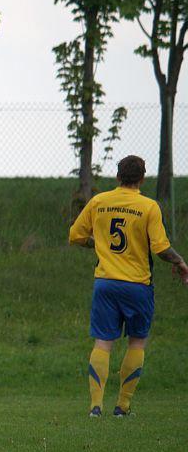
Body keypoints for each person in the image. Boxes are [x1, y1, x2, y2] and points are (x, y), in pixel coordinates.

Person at [68, 155, 188, 418]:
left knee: (103, 342)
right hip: (137, 285)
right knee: (137, 343)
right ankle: (122, 407)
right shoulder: (149, 207)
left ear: (118, 176)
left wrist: (98, 244)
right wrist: (179, 261)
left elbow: (75, 235)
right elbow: (161, 248)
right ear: (142, 179)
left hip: (105, 283)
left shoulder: (99, 202)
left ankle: (95, 407)